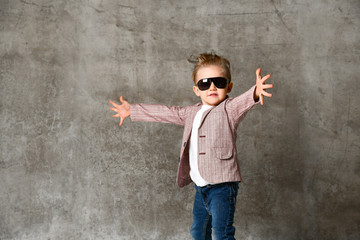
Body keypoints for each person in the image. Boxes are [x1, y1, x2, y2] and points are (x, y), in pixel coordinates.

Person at [109, 53, 273, 240]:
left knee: (221, 234)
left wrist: (255, 92)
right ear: (196, 90)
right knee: (198, 232)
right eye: (205, 83)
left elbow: (242, 102)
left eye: (219, 82)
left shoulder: (229, 110)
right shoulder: (190, 113)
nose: (212, 87)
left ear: (229, 87)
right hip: (200, 188)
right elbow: (166, 113)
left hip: (222, 188)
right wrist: (133, 110)